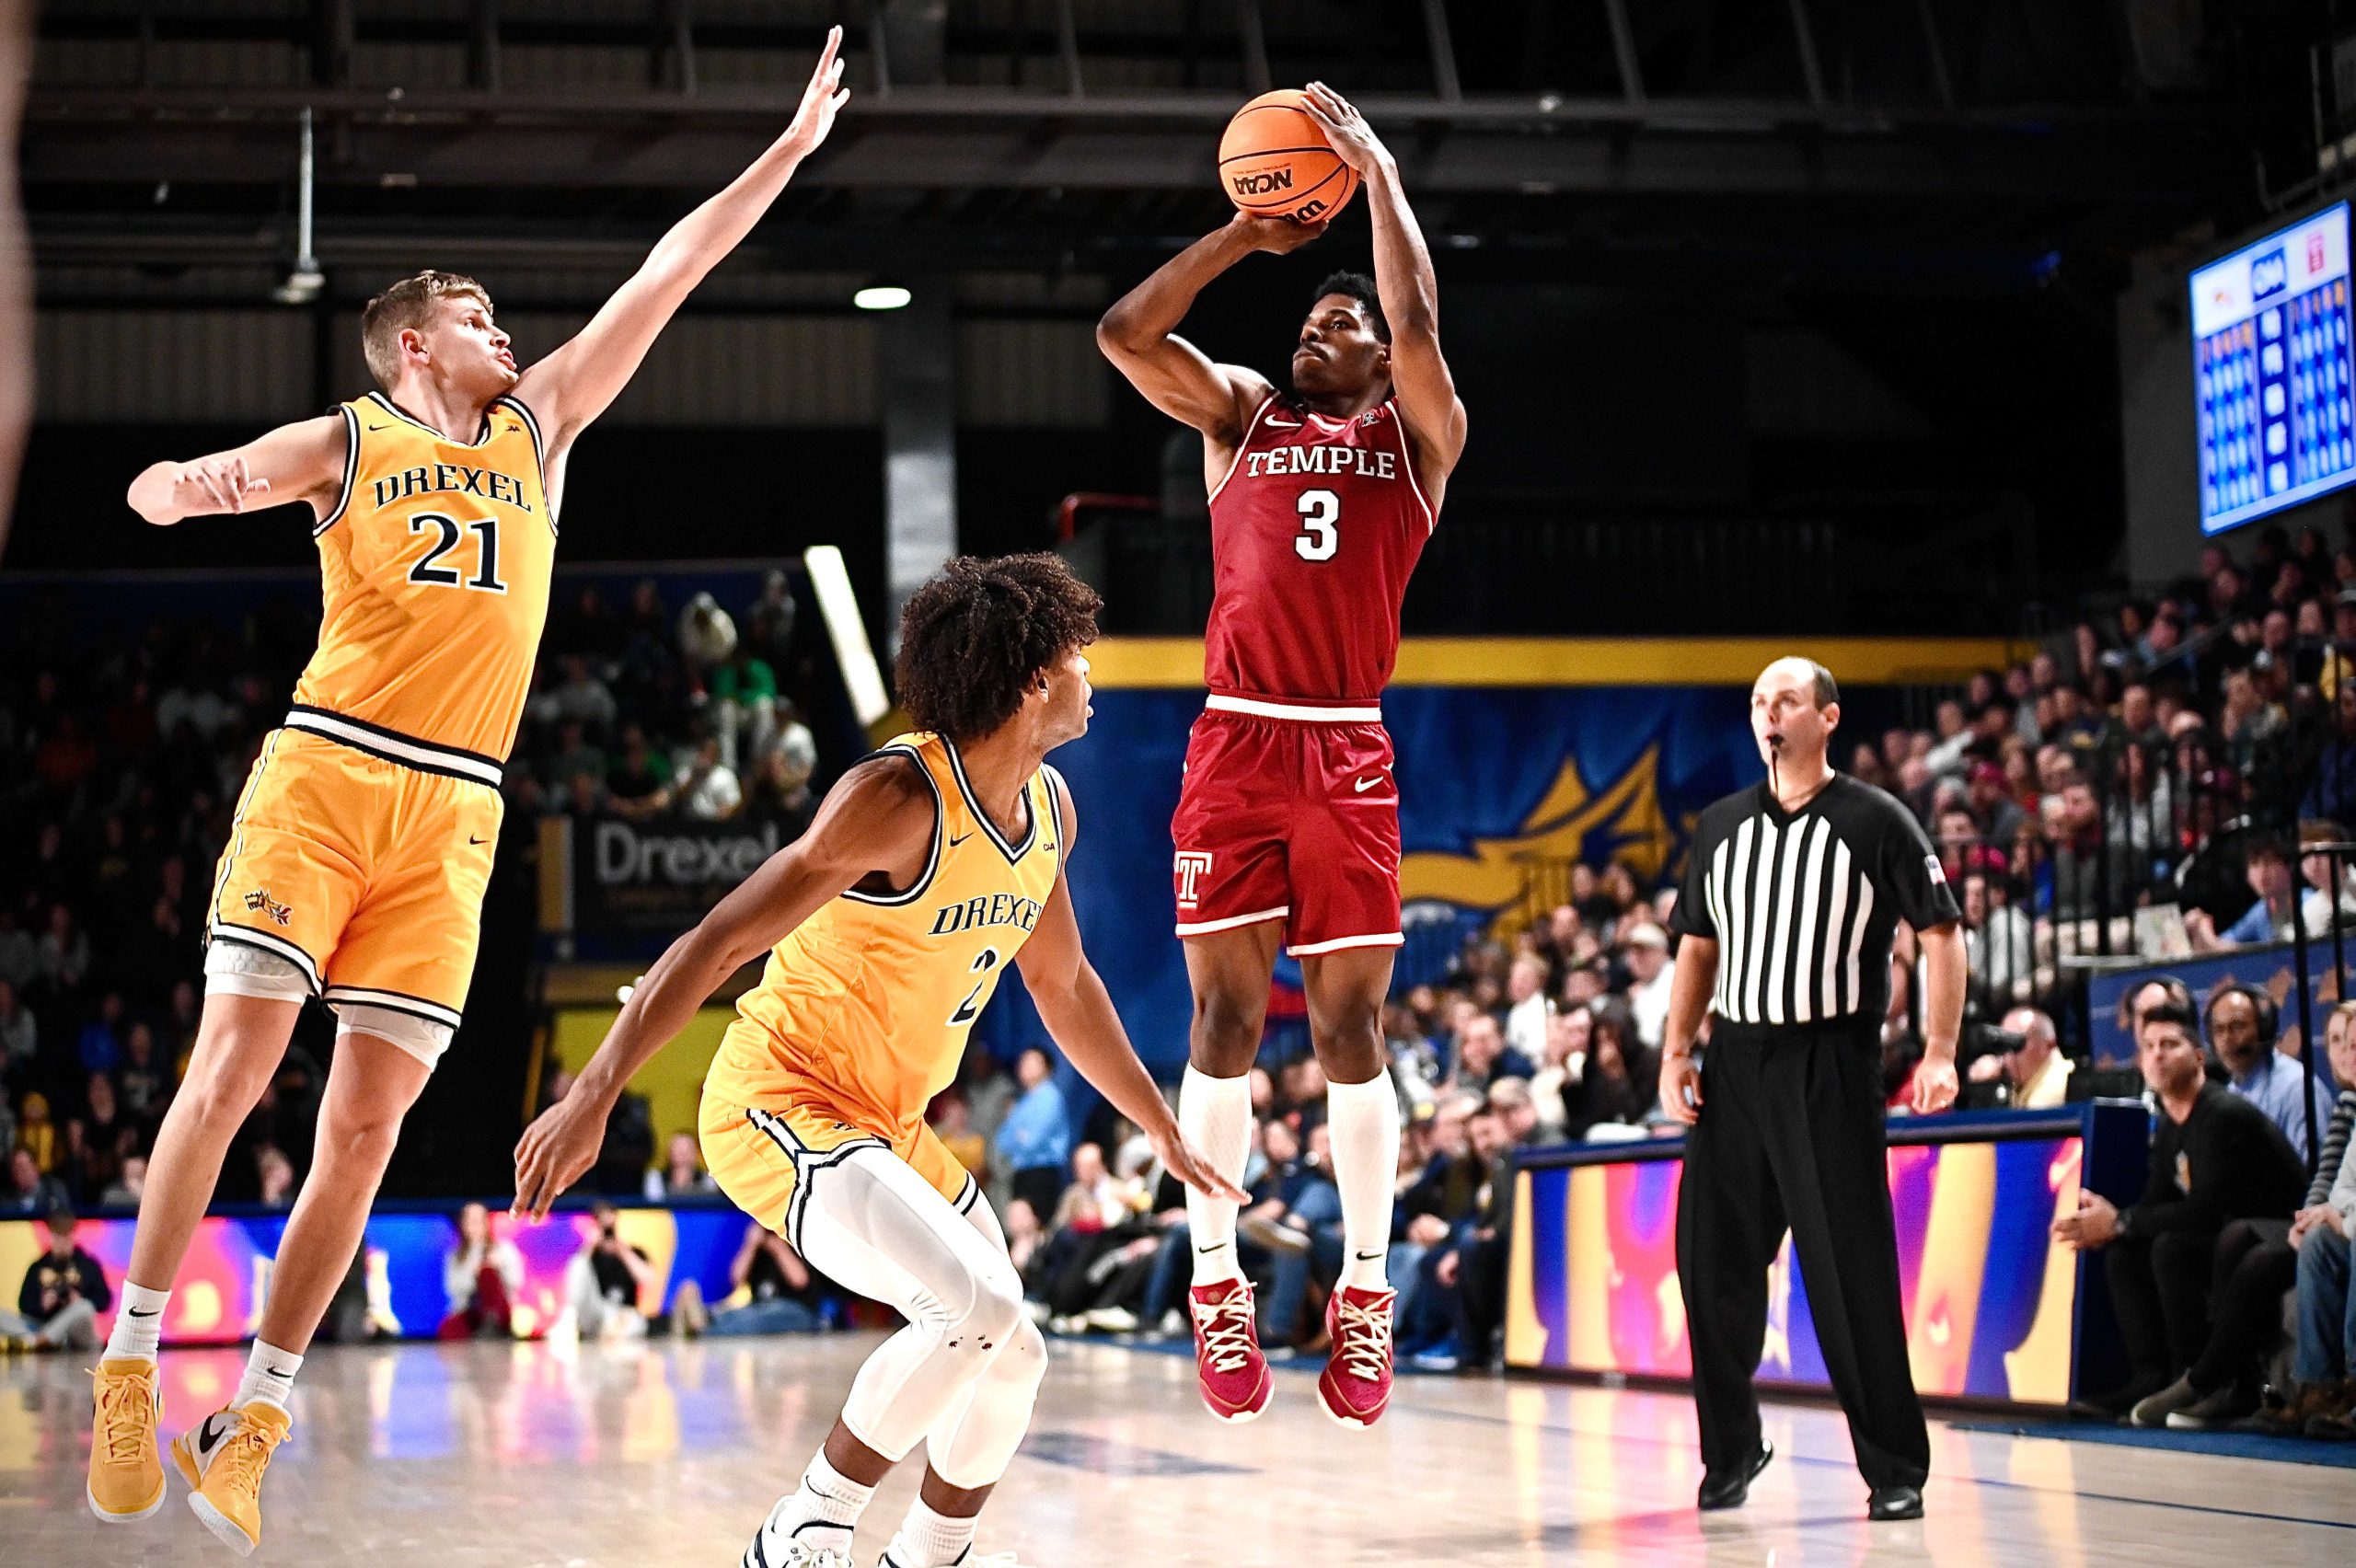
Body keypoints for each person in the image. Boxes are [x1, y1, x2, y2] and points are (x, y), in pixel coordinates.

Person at [81, 33, 860, 1552]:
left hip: (455, 814)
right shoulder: (352, 437)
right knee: (232, 1071)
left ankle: (255, 1418)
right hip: (324, 775)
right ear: (413, 348)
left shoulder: (538, 430)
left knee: (364, 1133)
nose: (506, 330)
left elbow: (669, 273)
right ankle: (130, 1357)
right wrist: (171, 489)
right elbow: (209, 477)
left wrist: (782, 153)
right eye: (476, 316)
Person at [511, 553, 1237, 1568]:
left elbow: (1063, 984)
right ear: (1032, 679)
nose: (1090, 674)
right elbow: (718, 942)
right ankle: (805, 1526)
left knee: (1014, 1351)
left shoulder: (1049, 810)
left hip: (889, 1126)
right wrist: (593, 1096)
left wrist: (1156, 1120)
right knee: (974, 1310)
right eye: (1077, 656)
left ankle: (933, 1554)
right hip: (783, 1099)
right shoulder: (896, 798)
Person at [1098, 80, 1467, 1430]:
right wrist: (1238, 237)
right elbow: (1125, 334)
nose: (1320, 329)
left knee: (1354, 1028)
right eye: (1309, 321)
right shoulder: (1241, 416)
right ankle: (1215, 1279)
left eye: (1341, 324)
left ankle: (1363, 1291)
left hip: (1345, 748)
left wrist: (1377, 177)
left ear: (1377, 360)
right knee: (1223, 1024)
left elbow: (1417, 322)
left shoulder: (1417, 442)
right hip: (1237, 740)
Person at [1660, 657, 1965, 1523]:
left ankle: (1895, 1465)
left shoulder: (1876, 819)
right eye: (1760, 701)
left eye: (1788, 699)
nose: (1770, 713)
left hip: (1830, 1062)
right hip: (1734, 1065)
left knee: (1847, 1268)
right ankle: (1731, 1449)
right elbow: (1697, 945)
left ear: (1827, 717)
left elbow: (1941, 934)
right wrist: (1676, 1050)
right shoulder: (1721, 826)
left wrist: (1941, 1050)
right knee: (1708, 1263)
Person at [2054, 1001, 2307, 1424]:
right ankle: (2151, 1377)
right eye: (2148, 1046)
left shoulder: (2222, 1113)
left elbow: (2206, 1210)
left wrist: (2120, 1221)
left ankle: (2196, 1381)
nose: (2157, 1055)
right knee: (2124, 1252)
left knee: (2170, 1248)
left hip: (2270, 1231)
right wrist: (2115, 1225)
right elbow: (2157, 1202)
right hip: (2226, 1233)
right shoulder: (2173, 1122)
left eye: (2170, 1044)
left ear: (2199, 1057)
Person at [2205, 985, 2335, 1156]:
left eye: (2237, 1026)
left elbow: (2315, 1168)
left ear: (2264, 1030)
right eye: (2218, 1029)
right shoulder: (2229, 1091)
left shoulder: (2297, 1089)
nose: (2226, 1038)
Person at [2, 1206, 110, 1353]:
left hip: (76, 1329)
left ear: (73, 1235)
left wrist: (76, 1300)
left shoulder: (88, 1265)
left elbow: (104, 1301)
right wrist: (42, 1305)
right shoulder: (38, 1266)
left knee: (84, 1307)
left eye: (66, 1237)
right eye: (58, 1237)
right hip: (42, 1324)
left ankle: (40, 1340)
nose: (62, 1243)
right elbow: (23, 1305)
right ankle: (44, 1339)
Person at [437, 1201, 523, 1341]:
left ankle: (492, 1325)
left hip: (499, 1310)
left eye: (478, 1221)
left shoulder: (504, 1249)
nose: (475, 1227)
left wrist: (497, 1268)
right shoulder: (456, 1256)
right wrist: (473, 1276)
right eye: (470, 1221)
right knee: (449, 1328)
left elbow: (515, 1282)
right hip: (470, 1310)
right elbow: (452, 1288)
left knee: (487, 1272)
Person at [1965, 1007, 2073, 1109]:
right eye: (2004, 1043)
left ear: (2049, 1044)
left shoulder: (2061, 1080)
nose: (2009, 1055)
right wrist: (1984, 1087)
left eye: (2017, 1042)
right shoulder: (2022, 1082)